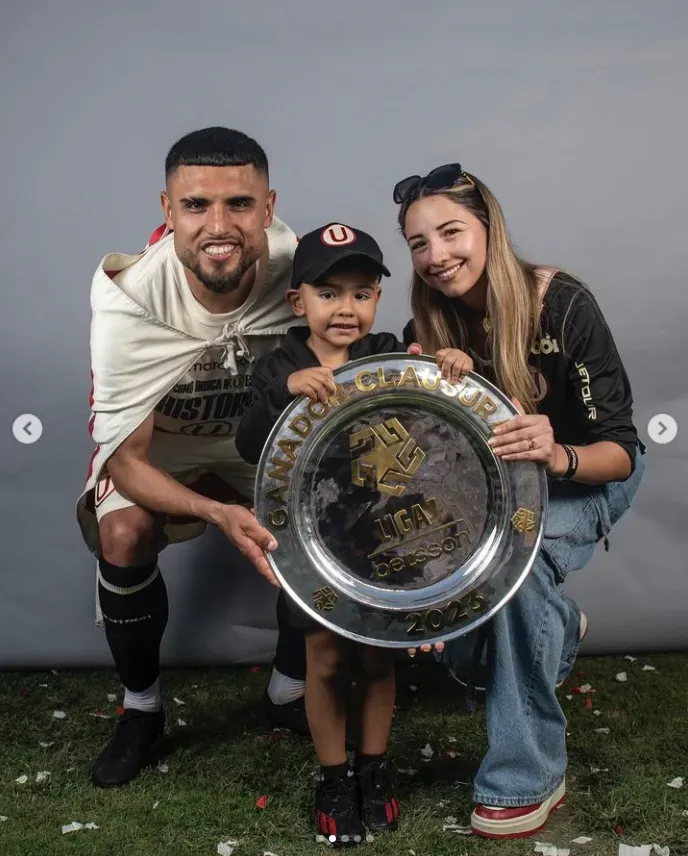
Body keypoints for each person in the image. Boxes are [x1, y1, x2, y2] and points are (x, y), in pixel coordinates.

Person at [393, 163, 645, 840]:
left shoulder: (560, 303)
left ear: (489, 228)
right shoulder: (427, 328)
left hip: (583, 476)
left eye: (451, 232)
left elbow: (620, 450)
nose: (437, 256)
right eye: (420, 243)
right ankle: (555, 629)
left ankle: (526, 775)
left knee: (515, 565)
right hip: (493, 497)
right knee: (470, 646)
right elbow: (431, 466)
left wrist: (556, 451)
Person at [76, 127, 310, 788]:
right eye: (196, 205)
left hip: (254, 440)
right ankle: (141, 709)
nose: (219, 225)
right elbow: (126, 462)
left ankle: (288, 692)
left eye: (239, 204)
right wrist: (214, 512)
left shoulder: (299, 266)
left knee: (317, 510)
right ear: (167, 210)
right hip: (163, 450)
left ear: (268, 208)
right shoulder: (129, 302)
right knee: (125, 530)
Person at [236, 222, 413, 844]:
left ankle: (374, 768)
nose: (346, 308)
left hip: (384, 537)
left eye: (361, 293)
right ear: (298, 301)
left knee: (379, 658)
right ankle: (335, 776)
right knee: (327, 659)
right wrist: (284, 395)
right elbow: (247, 442)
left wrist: (452, 364)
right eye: (329, 292)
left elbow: (437, 409)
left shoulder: (390, 351)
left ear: (377, 301)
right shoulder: (278, 364)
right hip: (312, 543)